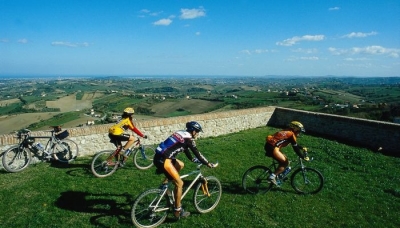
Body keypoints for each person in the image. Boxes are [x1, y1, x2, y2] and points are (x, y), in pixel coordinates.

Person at [153, 121, 216, 219]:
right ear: (193, 131)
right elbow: (198, 153)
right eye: (197, 131)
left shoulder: (180, 133)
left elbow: (185, 148)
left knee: (180, 165)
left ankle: (165, 184)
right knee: (180, 183)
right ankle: (177, 210)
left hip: (158, 157)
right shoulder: (189, 139)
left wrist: (191, 159)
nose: (198, 134)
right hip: (164, 161)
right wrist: (207, 163)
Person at [264, 121, 309, 185]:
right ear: (295, 129)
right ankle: (272, 177)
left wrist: (302, 148)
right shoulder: (291, 135)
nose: (299, 133)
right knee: (285, 162)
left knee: (286, 160)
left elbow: (293, 143)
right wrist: (302, 157)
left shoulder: (287, 131)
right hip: (273, 148)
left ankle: (279, 175)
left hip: (270, 146)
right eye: (299, 131)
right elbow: (295, 148)